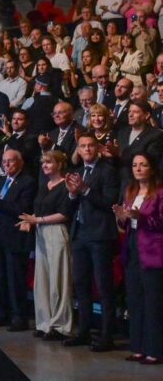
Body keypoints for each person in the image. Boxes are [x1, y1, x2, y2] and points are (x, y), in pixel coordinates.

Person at [63, 134, 120, 351]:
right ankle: (84, 331)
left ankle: (107, 335)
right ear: (78, 149)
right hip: (80, 234)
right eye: (83, 146)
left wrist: (85, 190)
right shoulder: (77, 172)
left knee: (104, 286)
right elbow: (69, 208)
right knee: (81, 284)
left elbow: (109, 203)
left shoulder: (107, 171)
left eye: (90, 145)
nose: (86, 149)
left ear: (97, 148)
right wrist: (71, 195)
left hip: (100, 235)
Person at [17, 150, 75, 341]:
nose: (45, 166)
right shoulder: (44, 185)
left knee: (58, 280)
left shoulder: (65, 185)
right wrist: (30, 221)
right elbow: (37, 209)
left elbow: (65, 213)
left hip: (57, 231)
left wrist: (38, 220)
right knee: (41, 279)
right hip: (41, 231)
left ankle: (60, 326)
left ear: (59, 164)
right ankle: (44, 322)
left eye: (49, 162)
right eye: (43, 163)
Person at [112, 153, 163, 365]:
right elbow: (126, 225)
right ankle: (138, 347)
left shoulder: (159, 193)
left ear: (151, 168)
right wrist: (122, 217)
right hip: (132, 249)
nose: (138, 168)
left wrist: (139, 218)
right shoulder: (130, 191)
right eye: (135, 165)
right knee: (134, 301)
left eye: (143, 165)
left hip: (152, 250)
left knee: (153, 302)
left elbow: (159, 222)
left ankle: (155, 350)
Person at [0, 148, 35, 331]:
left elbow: (22, 209)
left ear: (20, 162)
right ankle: (1, 313)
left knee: (15, 279)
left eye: (10, 161)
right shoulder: (1, 180)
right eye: (4, 162)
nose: (6, 165)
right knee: (0, 277)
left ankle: (19, 317)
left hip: (15, 237)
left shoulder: (27, 182)